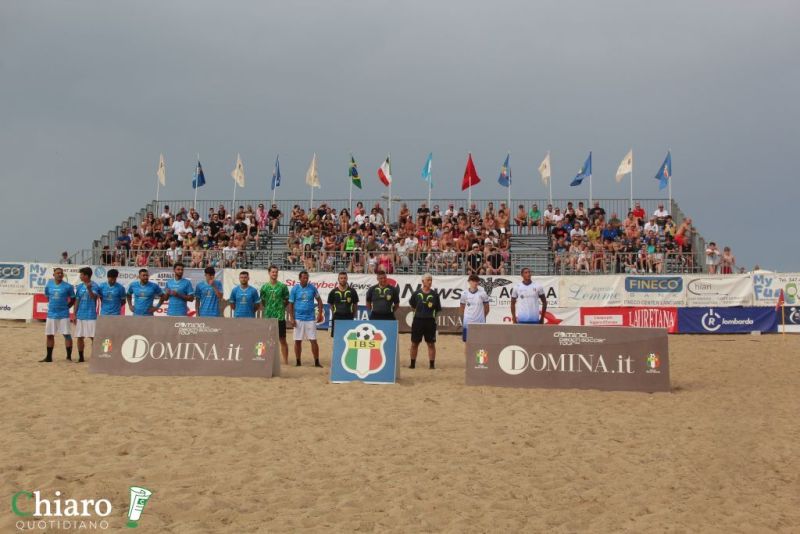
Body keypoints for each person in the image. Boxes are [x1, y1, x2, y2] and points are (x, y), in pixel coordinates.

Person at [288, 271, 324, 367]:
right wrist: (292, 318)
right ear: (300, 278)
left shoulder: (312, 288)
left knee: (313, 340)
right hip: (298, 318)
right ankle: (298, 361)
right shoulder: (295, 289)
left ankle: (316, 362)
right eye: (304, 278)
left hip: (310, 318)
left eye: (307, 278)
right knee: (298, 340)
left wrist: (320, 314)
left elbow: (320, 301)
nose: (306, 279)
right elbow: (290, 304)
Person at [40, 267, 76, 362]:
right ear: (54, 275)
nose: (60, 274)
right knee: (49, 335)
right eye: (58, 273)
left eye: (61, 273)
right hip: (51, 314)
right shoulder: (49, 285)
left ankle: (68, 357)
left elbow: (73, 299)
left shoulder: (68, 286)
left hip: (63, 314)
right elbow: (48, 297)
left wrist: (67, 307)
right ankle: (49, 357)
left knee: (67, 335)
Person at [408, 273, 442, 369]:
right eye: (428, 280)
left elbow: (438, 309)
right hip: (418, 321)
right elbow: (412, 305)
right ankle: (412, 364)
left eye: (431, 280)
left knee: (431, 343)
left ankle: (431, 365)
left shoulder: (435, 295)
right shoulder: (416, 293)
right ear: (423, 281)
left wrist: (432, 318)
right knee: (414, 343)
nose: (430, 282)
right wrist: (419, 313)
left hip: (430, 322)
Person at [259, 265, 290, 364]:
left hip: (280, 316)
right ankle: (267, 359)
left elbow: (286, 300)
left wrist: (279, 308)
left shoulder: (282, 286)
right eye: (273, 272)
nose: (275, 274)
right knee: (267, 339)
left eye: (276, 272)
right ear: (269, 273)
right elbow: (263, 302)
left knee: (282, 340)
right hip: (268, 317)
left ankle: (285, 361)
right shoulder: (264, 287)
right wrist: (270, 308)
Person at [72, 267, 99, 363]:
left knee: (93, 337)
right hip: (80, 315)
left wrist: (89, 289)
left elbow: (94, 297)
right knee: (80, 337)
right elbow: (77, 301)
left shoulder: (94, 285)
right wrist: (74, 314)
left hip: (91, 315)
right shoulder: (79, 286)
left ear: (86, 276)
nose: (80, 276)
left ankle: (95, 357)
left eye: (81, 274)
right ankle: (81, 357)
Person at [327, 271, 359, 337]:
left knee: (349, 336)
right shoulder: (333, 292)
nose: (343, 280)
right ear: (338, 279)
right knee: (337, 337)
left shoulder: (352, 291)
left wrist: (354, 314)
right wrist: (334, 313)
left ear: (347, 279)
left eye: (344, 278)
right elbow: (331, 304)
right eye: (341, 278)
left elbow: (355, 304)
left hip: (349, 317)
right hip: (337, 317)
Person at [460, 274, 490, 342]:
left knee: (480, 341)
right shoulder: (464, 294)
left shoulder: (483, 293)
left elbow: (487, 308)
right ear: (469, 282)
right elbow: (462, 307)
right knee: (467, 342)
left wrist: (482, 317)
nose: (475, 283)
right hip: (468, 322)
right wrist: (466, 316)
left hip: (480, 322)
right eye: (473, 281)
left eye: (476, 281)